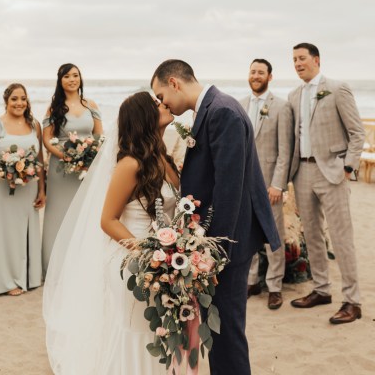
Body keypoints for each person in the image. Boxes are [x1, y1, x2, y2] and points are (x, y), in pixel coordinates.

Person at [151, 59, 280, 375]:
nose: (161, 103)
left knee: (227, 333)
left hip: (228, 245)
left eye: (160, 95)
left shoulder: (221, 111)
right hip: (224, 242)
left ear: (174, 82)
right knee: (220, 331)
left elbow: (229, 191)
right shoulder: (211, 108)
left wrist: (214, 257)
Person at [44, 92, 178, 374]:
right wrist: (145, 253)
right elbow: (107, 220)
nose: (163, 104)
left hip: (163, 259)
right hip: (133, 260)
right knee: (138, 329)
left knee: (158, 330)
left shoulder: (164, 158)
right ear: (144, 117)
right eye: (155, 104)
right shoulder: (130, 164)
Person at [288, 43, 364, 324]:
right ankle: (321, 290)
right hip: (302, 173)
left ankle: (352, 301)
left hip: (332, 171)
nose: (297, 63)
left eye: (302, 58)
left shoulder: (337, 88)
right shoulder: (293, 95)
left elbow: (357, 132)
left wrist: (347, 167)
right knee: (313, 235)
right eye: (294, 59)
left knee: (342, 238)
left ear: (316, 60)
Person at [0, 83, 45, 295]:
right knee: (1, 233)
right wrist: (0, 172)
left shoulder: (34, 125)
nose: (19, 103)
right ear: (6, 100)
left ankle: (27, 277)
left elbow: (40, 159)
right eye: (14, 99)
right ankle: (4, 282)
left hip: (27, 189)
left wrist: (42, 190)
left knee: (21, 232)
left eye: (23, 98)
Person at [240, 58, 293, 310]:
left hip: (269, 185)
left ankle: (274, 286)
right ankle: (252, 281)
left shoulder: (281, 107)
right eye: (253, 71)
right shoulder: (239, 105)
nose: (256, 75)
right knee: (247, 233)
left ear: (270, 77)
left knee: (274, 237)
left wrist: (278, 185)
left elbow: (285, 150)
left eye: (261, 72)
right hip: (244, 184)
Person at [42, 63, 103, 274]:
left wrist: (88, 156)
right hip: (61, 168)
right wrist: (65, 155)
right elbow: (47, 139)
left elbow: (99, 136)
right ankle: (53, 265)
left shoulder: (90, 104)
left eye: (75, 75)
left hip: (86, 168)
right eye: (67, 76)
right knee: (58, 212)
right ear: (60, 80)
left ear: (80, 78)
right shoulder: (54, 108)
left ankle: (82, 263)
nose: (72, 79)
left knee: (85, 212)